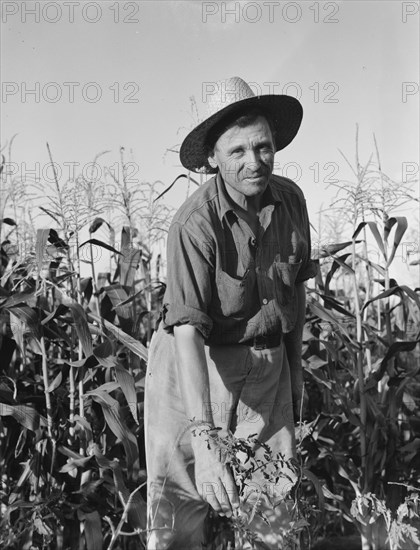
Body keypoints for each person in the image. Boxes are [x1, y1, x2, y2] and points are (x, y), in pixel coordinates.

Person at [144, 76, 316, 549]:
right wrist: (203, 436)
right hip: (191, 371)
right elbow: (186, 332)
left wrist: (296, 373)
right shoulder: (193, 223)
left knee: (274, 519)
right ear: (212, 159)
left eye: (263, 146)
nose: (254, 161)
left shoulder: (292, 201)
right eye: (237, 151)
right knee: (179, 518)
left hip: (266, 367)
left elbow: (294, 295)